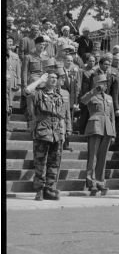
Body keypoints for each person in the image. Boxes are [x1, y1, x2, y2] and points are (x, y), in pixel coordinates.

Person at [25, 66, 69, 201]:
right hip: (43, 131)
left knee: (54, 162)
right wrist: (40, 80)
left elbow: (62, 116)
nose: (54, 80)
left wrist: (63, 132)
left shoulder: (59, 96)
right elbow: (27, 91)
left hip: (57, 132)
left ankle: (49, 189)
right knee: (40, 162)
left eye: (56, 78)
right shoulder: (38, 93)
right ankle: (39, 190)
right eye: (51, 77)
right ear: (46, 79)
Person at [80, 73, 116, 195]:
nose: (104, 85)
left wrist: (113, 132)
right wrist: (94, 91)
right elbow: (83, 100)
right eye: (101, 83)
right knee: (93, 156)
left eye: (105, 83)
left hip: (107, 128)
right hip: (95, 126)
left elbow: (112, 117)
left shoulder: (109, 98)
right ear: (96, 84)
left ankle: (101, 182)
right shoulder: (92, 95)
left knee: (103, 157)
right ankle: (91, 182)